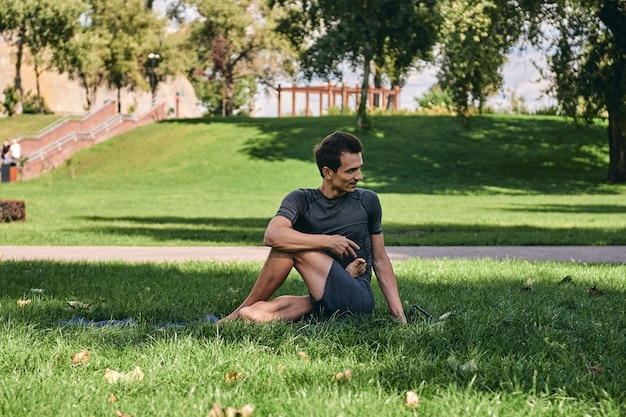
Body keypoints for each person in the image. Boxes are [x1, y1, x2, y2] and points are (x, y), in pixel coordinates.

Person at [221, 131, 407, 324]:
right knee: (252, 314)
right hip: (323, 297)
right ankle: (244, 313)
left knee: (287, 245)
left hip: (357, 297)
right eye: (350, 171)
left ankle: (232, 317)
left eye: (359, 168)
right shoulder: (302, 200)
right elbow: (272, 234)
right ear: (327, 172)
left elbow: (380, 258)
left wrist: (399, 315)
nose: (359, 176)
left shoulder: (367, 201)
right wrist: (328, 241)